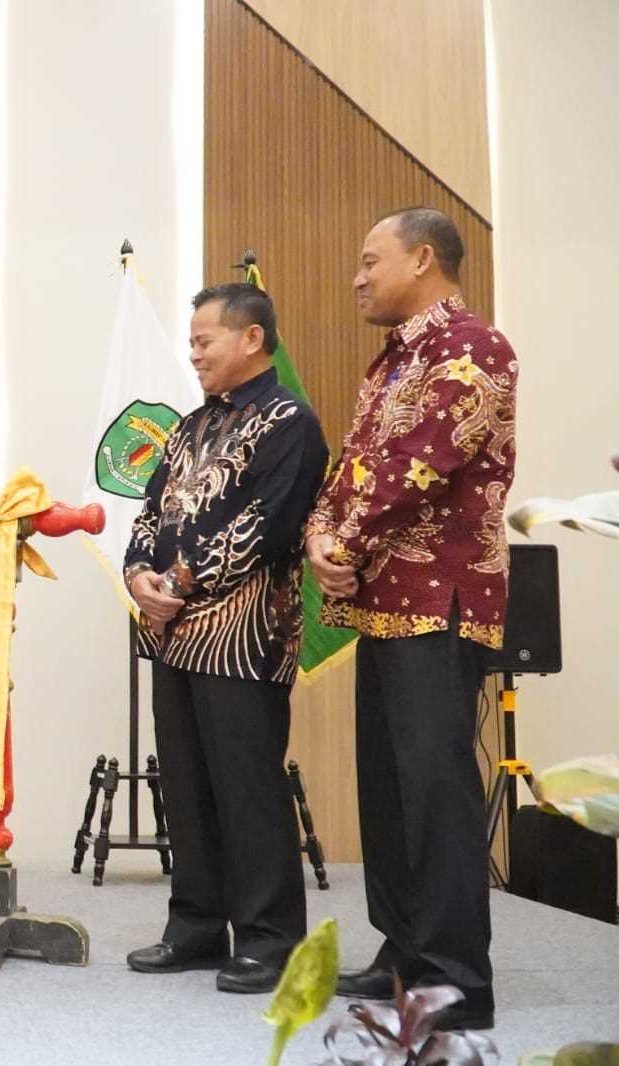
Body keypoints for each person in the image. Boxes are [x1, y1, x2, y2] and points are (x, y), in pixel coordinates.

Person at [306, 208, 516, 1032]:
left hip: (441, 602)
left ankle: (457, 978)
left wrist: (343, 540)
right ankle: (405, 951)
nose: (357, 278)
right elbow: (353, 465)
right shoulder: (393, 362)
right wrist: (320, 534)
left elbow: (420, 466)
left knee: (434, 792)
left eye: (371, 261)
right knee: (390, 792)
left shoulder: (474, 348)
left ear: (423, 259)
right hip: (383, 601)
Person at [122, 283, 328, 994]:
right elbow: (149, 513)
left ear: (251, 339)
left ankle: (271, 941)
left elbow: (265, 527)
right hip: (174, 636)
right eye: (191, 341)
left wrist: (173, 585)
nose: (194, 353)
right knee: (185, 787)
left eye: (204, 340)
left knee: (248, 791)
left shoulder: (289, 423)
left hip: (244, 639)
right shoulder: (188, 428)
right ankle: (197, 928)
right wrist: (137, 575)